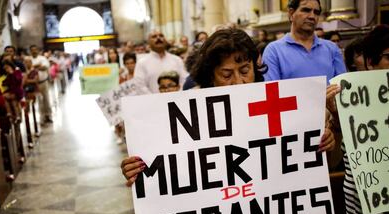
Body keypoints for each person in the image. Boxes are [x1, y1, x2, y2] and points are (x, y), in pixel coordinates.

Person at [121, 28, 335, 186]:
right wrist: (138, 169)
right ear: (210, 76)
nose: (239, 81)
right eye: (226, 74)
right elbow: (166, 162)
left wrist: (324, 143)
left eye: (244, 70)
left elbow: (315, 162)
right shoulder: (188, 109)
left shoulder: (276, 104)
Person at [327, 24, 389, 214]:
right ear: (371, 63)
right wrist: (336, 117)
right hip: (367, 212)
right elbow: (334, 161)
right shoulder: (353, 101)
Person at [262, 0, 346, 83]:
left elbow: (342, 88)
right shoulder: (274, 51)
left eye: (316, 12)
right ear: (291, 14)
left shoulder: (332, 49)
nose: (312, 16)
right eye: (306, 10)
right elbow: (272, 92)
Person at [30, 45, 53, 125]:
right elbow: (29, 69)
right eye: (32, 50)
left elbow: (44, 67)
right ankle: (42, 118)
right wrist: (37, 66)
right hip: (35, 84)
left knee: (46, 99)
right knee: (39, 101)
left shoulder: (42, 58)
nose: (34, 51)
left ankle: (48, 116)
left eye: (35, 49)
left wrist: (34, 67)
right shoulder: (29, 59)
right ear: (30, 51)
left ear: (38, 50)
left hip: (43, 82)